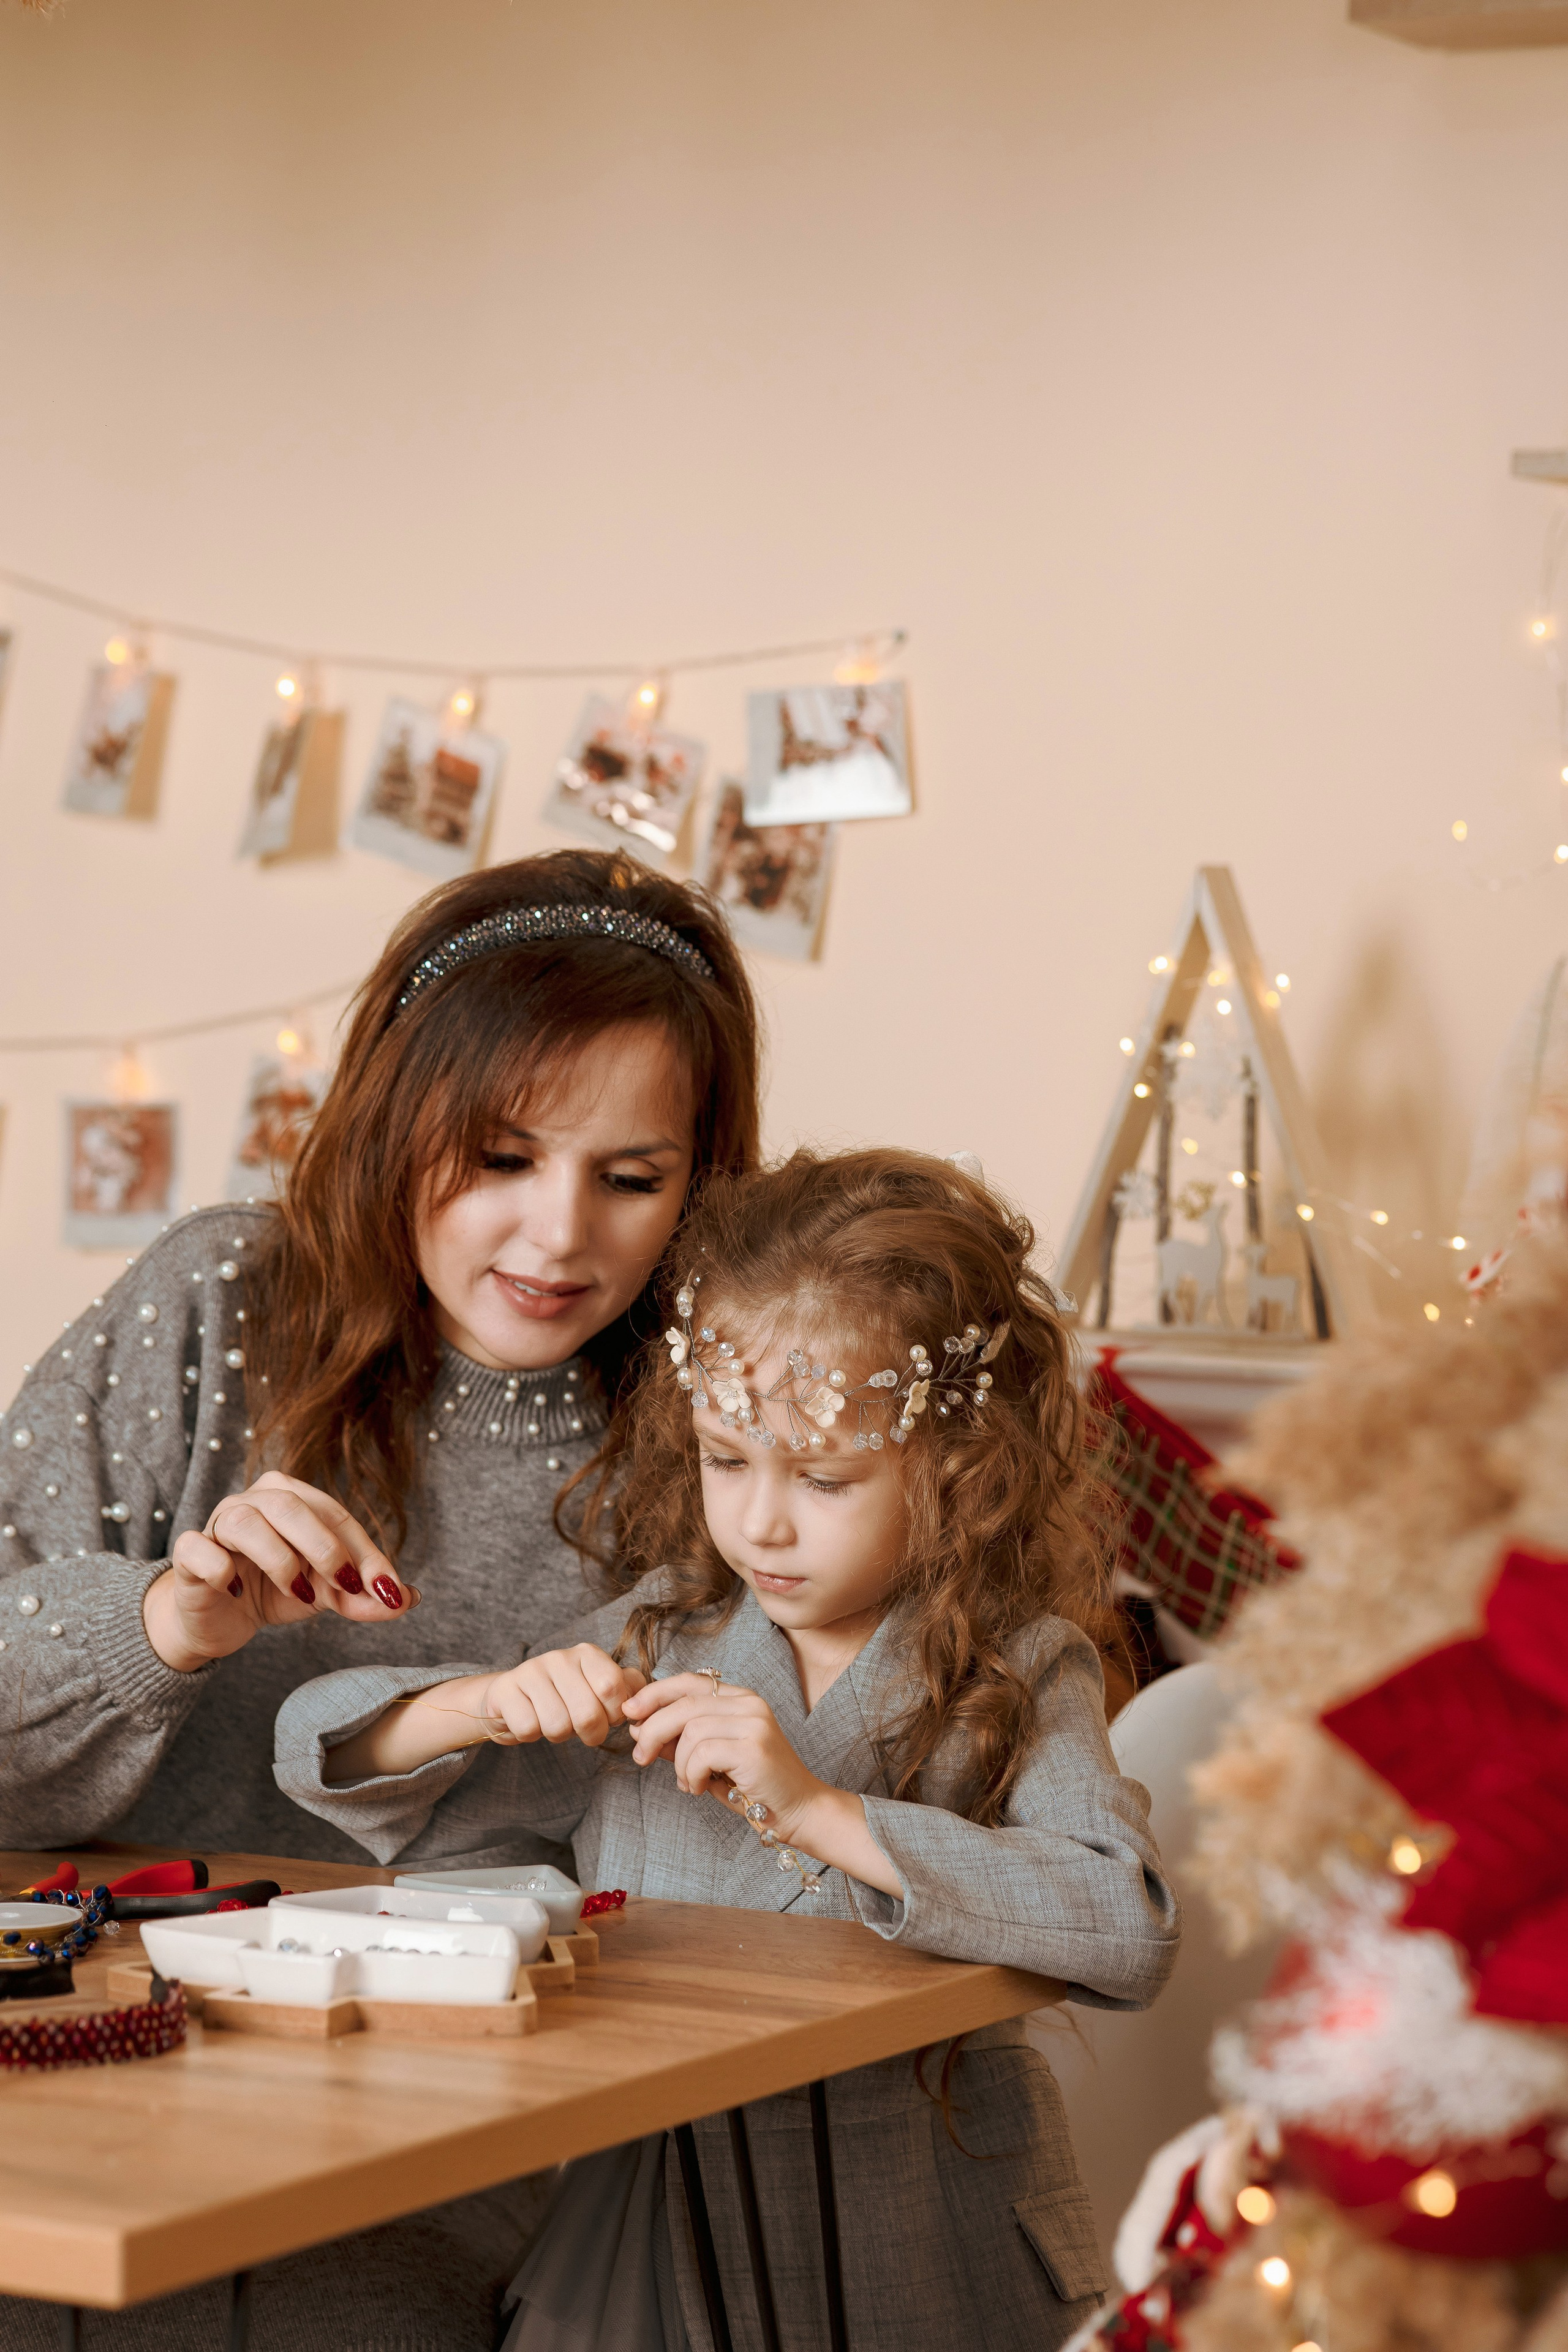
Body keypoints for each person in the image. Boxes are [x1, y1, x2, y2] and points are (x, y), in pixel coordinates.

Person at [0, 846, 761, 2352]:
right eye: (497, 1158)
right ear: (390, 1120)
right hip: (79, 2058)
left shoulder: (722, 1433)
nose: (557, 1238)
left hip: (453, 2132)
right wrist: (160, 1627)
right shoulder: (218, 1304)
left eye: (631, 1179)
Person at [276, 1147, 1182, 2352]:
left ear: (958, 1473)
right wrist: (481, 1702)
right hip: (665, 2241)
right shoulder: (657, 1636)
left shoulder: (1019, 1664)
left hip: (926, 2238)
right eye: (722, 1458)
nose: (759, 1520)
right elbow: (329, 1757)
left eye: (822, 1476)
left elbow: (1123, 1923)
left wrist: (816, 1810)